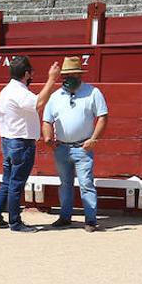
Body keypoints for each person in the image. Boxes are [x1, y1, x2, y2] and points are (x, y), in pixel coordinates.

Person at [0, 55, 61, 232]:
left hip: (8, 141)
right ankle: (15, 222)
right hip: (20, 143)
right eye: (30, 73)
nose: (32, 76)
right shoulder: (18, 92)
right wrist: (52, 79)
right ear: (25, 74)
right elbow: (38, 102)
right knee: (16, 184)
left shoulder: (6, 91)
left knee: (7, 182)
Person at [42, 56, 108, 232]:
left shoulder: (93, 92)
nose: (66, 79)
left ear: (79, 75)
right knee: (65, 184)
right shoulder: (55, 96)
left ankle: (91, 220)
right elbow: (47, 120)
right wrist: (48, 139)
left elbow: (103, 117)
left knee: (86, 183)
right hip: (61, 147)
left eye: (70, 75)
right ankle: (65, 216)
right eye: (65, 76)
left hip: (82, 147)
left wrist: (94, 139)